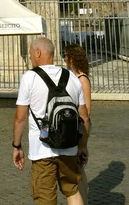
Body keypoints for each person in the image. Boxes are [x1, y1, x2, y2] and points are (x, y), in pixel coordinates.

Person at [13, 37, 90, 205]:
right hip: (69, 147)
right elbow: (84, 117)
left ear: (38, 52)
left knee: (44, 198)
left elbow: (20, 118)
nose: (31, 57)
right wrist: (82, 145)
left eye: (31, 53)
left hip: (42, 150)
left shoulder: (29, 77)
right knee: (72, 191)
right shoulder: (71, 77)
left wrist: (17, 146)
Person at [65, 44, 91, 205]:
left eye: (66, 55)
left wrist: (82, 137)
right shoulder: (73, 77)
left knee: (77, 169)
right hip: (74, 125)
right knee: (78, 169)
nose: (64, 58)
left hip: (80, 127)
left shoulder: (82, 79)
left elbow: (87, 110)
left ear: (72, 57)